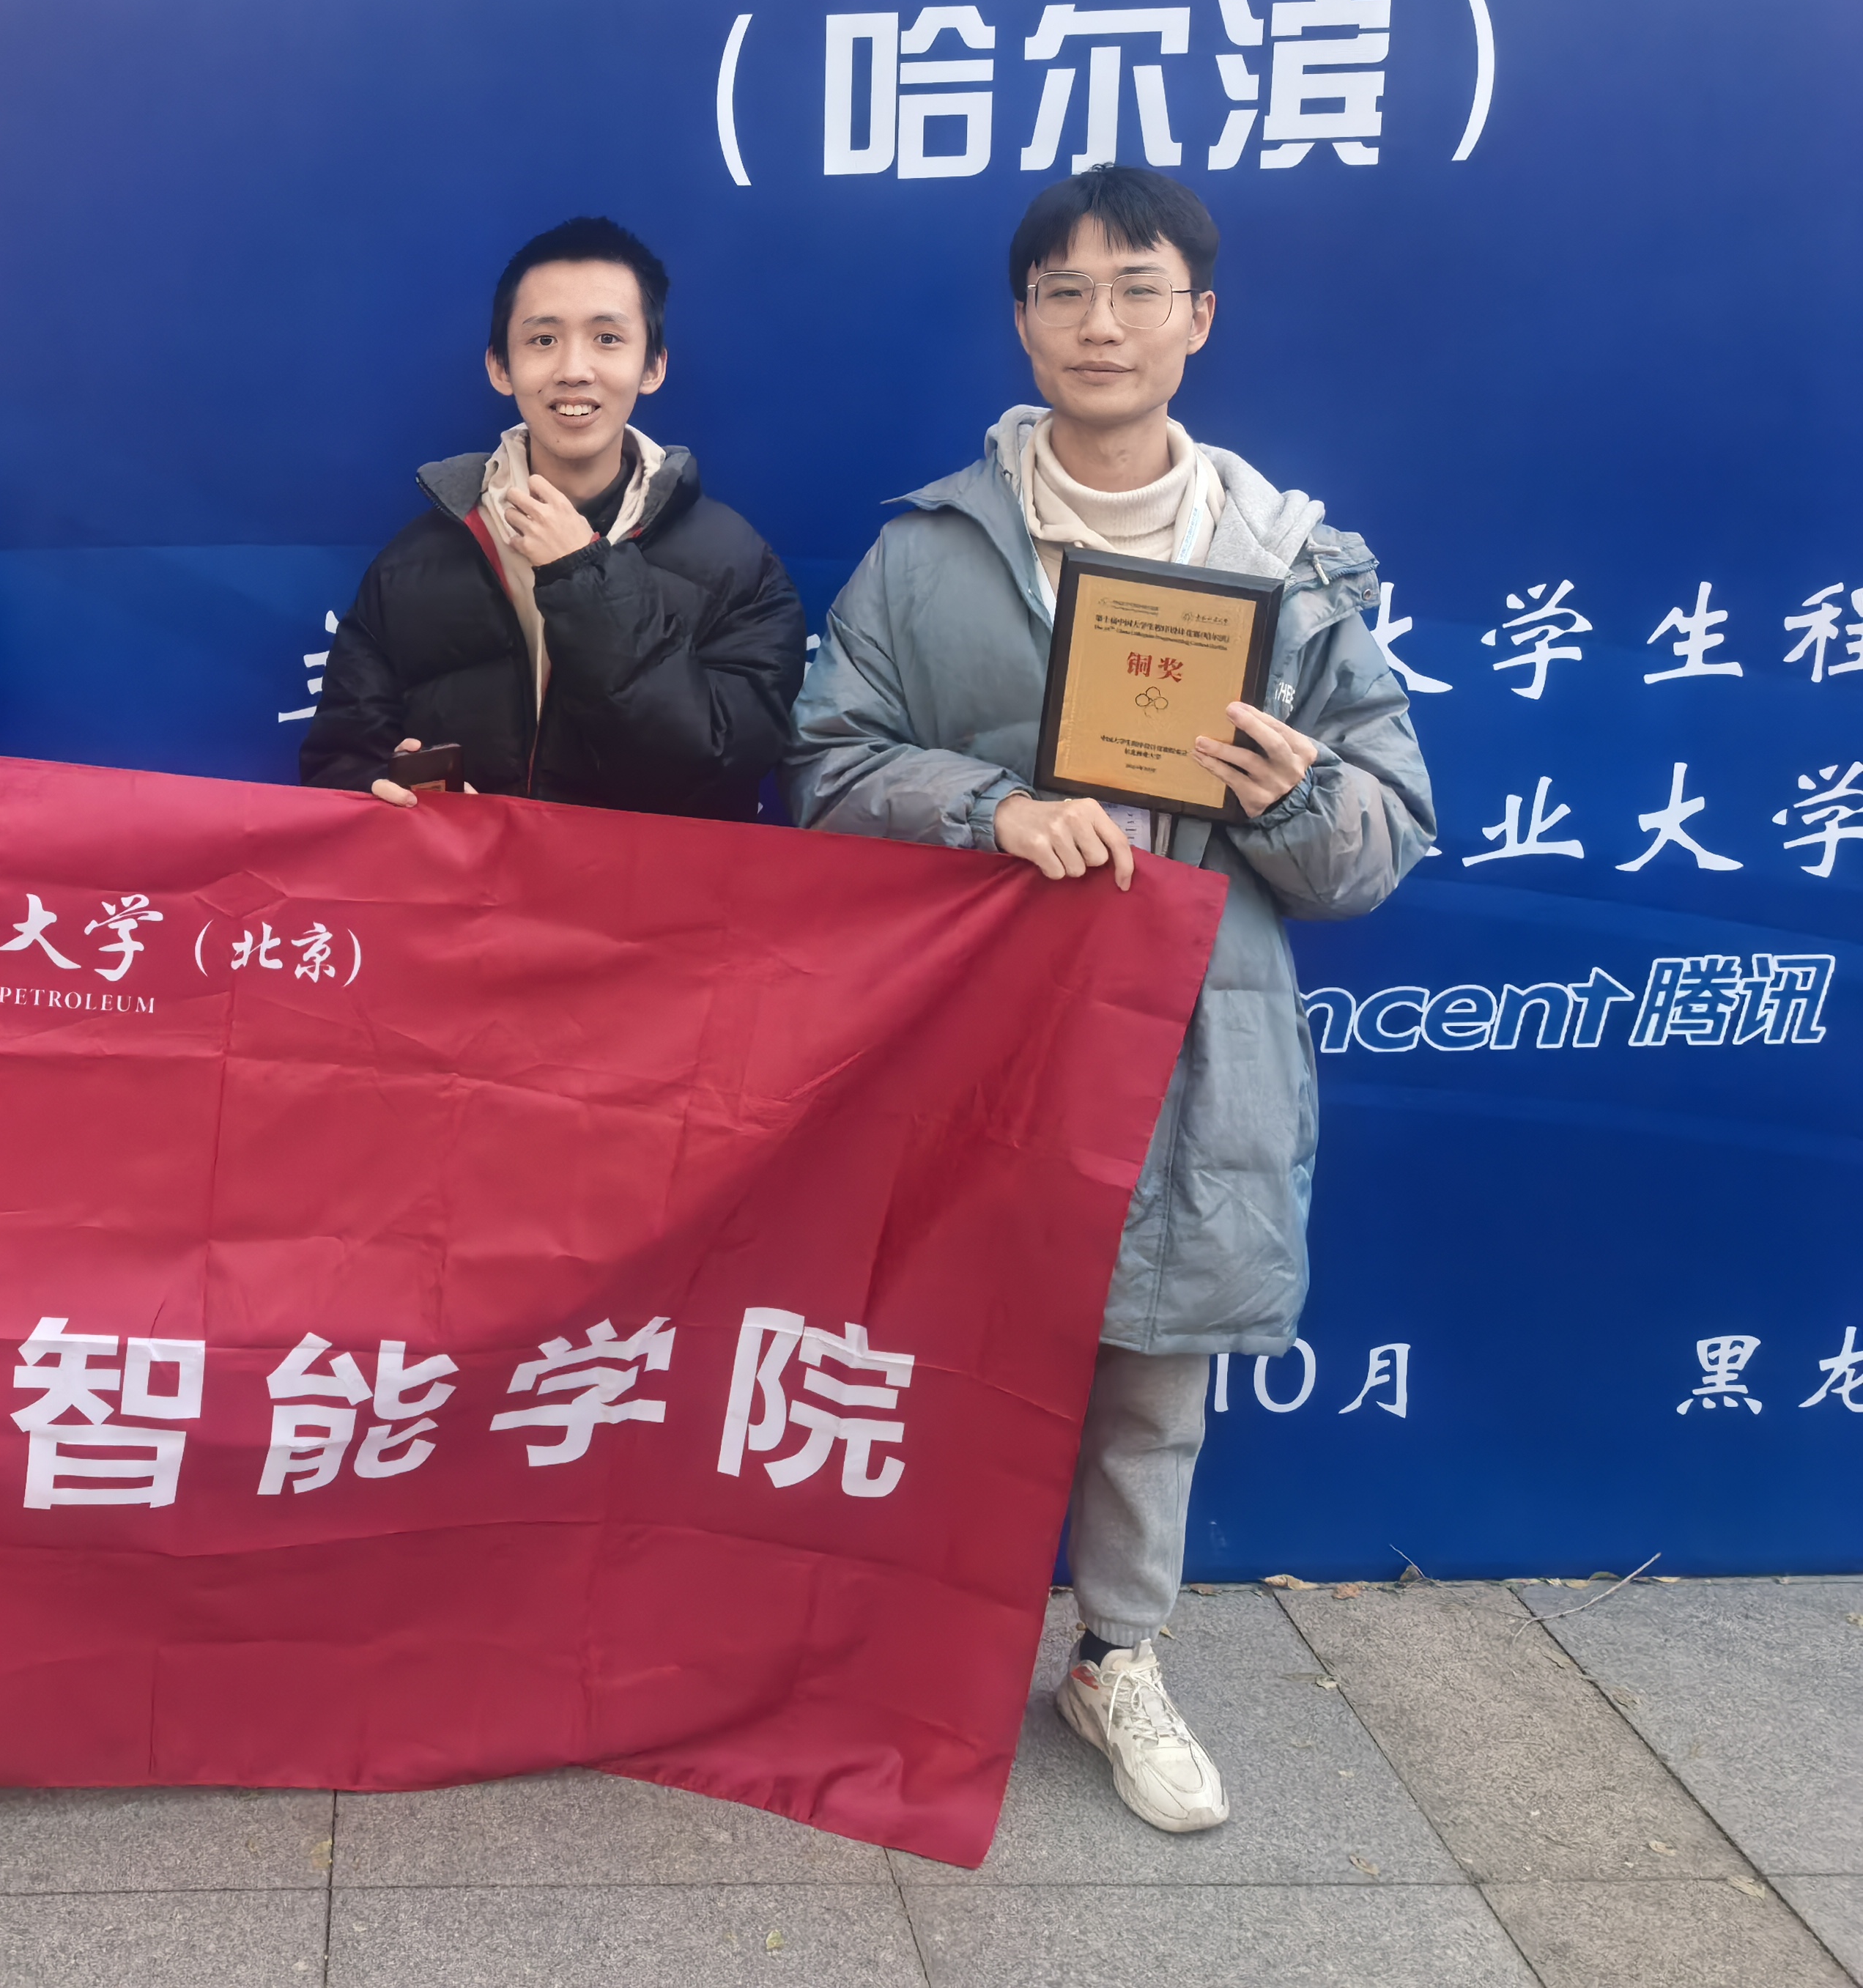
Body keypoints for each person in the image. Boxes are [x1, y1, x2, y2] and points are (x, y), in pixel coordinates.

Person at [786, 166, 1433, 1836]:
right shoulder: (930, 552)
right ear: (1022, 322)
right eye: (1064, 290)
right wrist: (985, 806)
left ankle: (1115, 1654)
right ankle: (918, 1647)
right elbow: (825, 767)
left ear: (1196, 319)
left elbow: (1379, 845)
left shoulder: (1289, 565)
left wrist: (1294, 794)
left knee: (1152, 1371)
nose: (1100, 321)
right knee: (940, 1351)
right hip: (981, 1034)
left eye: (1138, 287)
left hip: (1195, 1034)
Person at [299, 216, 803, 816]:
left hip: (644, 880)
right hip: (473, 877)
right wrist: (383, 788)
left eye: (607, 338)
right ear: (500, 367)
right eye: (543, 340)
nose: (573, 370)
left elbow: (718, 773)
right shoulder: (412, 564)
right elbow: (339, 761)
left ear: (653, 367)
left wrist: (582, 575)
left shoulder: (739, 567)